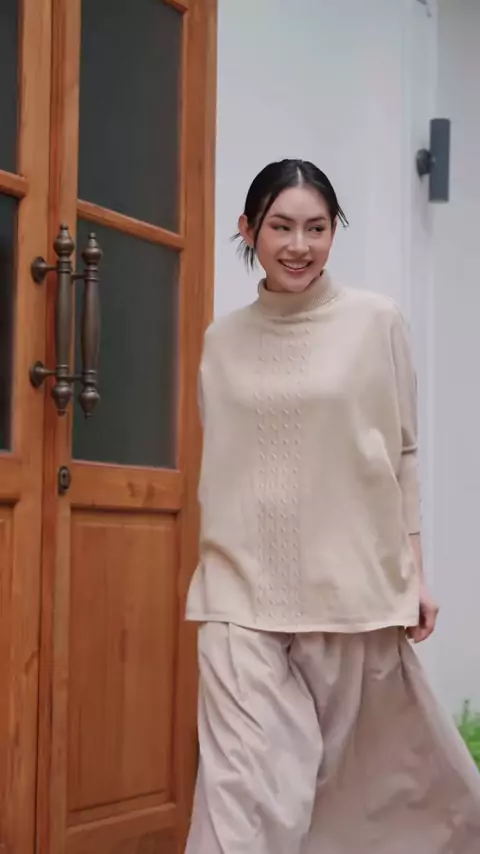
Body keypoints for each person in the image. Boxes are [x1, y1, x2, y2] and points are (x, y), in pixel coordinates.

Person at [184, 159, 480, 854]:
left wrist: (416, 570)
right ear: (248, 230)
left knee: (365, 801)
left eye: (317, 228)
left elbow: (402, 453)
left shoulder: (376, 322)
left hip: (353, 596)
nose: (300, 245)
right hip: (239, 594)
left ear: (333, 231)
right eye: (281, 227)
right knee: (241, 797)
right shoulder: (221, 340)